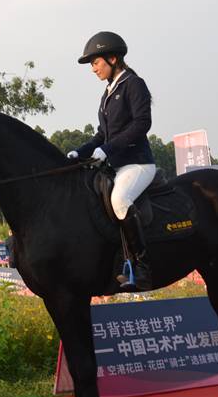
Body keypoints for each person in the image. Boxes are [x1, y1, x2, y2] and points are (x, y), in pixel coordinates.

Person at [67, 31, 156, 291]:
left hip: (137, 163)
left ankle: (142, 267)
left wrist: (107, 148)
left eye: (96, 62)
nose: (93, 69)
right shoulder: (108, 92)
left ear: (113, 58)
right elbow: (101, 134)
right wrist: (80, 152)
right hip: (115, 164)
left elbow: (142, 124)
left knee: (119, 200)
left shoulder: (133, 84)